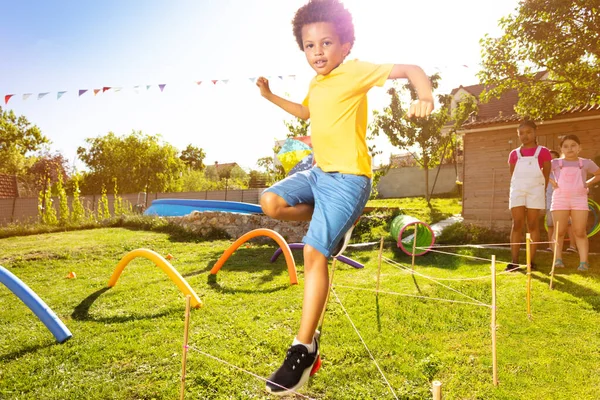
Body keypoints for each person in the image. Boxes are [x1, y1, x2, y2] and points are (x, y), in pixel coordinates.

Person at [256, 0, 434, 394]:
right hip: (317, 175)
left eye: (327, 42)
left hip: (349, 180)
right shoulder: (317, 83)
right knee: (270, 203)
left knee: (313, 253)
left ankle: (303, 348)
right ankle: (332, 221)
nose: (318, 52)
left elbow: (411, 70)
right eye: (309, 46)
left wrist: (425, 95)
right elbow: (306, 113)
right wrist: (270, 97)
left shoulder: (354, 72)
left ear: (346, 44)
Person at [550, 134, 600, 271]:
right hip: (560, 199)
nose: (569, 148)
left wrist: (587, 183)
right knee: (559, 231)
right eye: (565, 146)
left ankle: (584, 262)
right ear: (561, 149)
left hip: (579, 200)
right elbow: (541, 172)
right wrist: (553, 182)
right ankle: (557, 259)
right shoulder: (555, 163)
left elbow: (598, 174)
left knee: (579, 232)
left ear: (579, 148)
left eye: (573, 145)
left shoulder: (586, 163)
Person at [506, 120, 552, 271]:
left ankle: (531, 262)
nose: (525, 136)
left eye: (528, 132)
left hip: (536, 191)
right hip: (518, 190)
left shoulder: (543, 152)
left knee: (532, 225)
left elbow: (545, 175)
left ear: (535, 132)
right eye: (521, 133)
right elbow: (513, 175)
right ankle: (514, 262)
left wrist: (539, 190)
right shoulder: (514, 154)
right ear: (518, 135)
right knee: (517, 223)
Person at [546, 150, 577, 253]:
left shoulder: (562, 170)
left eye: (553, 158)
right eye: (549, 158)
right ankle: (551, 246)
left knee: (568, 224)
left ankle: (572, 246)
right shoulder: (546, 172)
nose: (551, 161)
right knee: (550, 224)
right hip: (550, 200)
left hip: (564, 200)